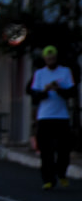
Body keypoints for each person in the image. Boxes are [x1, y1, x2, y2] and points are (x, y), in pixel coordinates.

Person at [28, 45, 75, 190]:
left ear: (56, 58)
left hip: (61, 116)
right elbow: (34, 96)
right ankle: (48, 179)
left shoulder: (65, 72)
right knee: (46, 150)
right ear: (44, 59)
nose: (50, 60)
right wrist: (46, 90)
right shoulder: (40, 74)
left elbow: (71, 93)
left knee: (63, 149)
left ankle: (61, 173)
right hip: (45, 116)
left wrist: (58, 89)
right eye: (48, 58)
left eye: (53, 58)